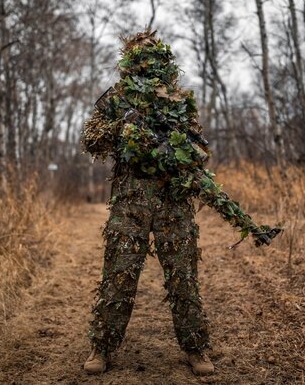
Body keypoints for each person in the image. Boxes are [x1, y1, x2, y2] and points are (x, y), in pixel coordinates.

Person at [80, 29, 280, 376]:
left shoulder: (178, 101)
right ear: (129, 61)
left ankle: (197, 348)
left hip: (174, 201)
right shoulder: (115, 99)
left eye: (154, 57)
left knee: (183, 279)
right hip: (130, 201)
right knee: (118, 277)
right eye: (141, 57)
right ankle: (102, 347)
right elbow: (91, 139)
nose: (148, 64)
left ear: (163, 61)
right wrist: (123, 129)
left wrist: (179, 158)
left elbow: (196, 149)